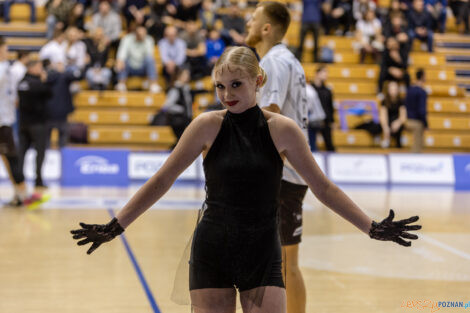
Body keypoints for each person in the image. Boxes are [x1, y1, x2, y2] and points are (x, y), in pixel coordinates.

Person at [71, 46, 421, 313]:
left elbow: (323, 187)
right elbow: (161, 181)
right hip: (213, 248)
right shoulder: (206, 125)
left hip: (263, 248)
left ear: (259, 80)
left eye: (236, 84)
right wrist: (117, 225)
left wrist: (370, 227)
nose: (227, 94)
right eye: (220, 86)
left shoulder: (283, 130)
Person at [244, 2, 310, 312]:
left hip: (282, 176)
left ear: (267, 28)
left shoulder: (273, 62)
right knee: (283, 265)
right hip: (290, 174)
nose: (249, 23)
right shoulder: (291, 61)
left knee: (284, 265)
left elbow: (270, 114)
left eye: (254, 19)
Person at [0, 37, 28, 206]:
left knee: (8, 157)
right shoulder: (4, 69)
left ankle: (19, 195)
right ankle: (24, 195)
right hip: (2, 121)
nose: (7, 52)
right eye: (5, 48)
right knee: (12, 157)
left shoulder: (8, 68)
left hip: (6, 119)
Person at [17, 60, 52, 188]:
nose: (41, 70)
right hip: (38, 123)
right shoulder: (38, 83)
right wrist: (44, 80)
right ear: (32, 68)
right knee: (40, 152)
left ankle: (19, 179)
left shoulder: (21, 82)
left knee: (22, 152)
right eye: (39, 67)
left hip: (23, 123)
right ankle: (38, 180)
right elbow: (49, 93)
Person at [115, 25, 162, 93]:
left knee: (149, 59)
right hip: (130, 67)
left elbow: (149, 55)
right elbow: (122, 53)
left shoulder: (149, 40)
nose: (142, 36)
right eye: (140, 34)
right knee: (122, 60)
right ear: (135, 34)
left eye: (144, 34)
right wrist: (120, 60)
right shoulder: (127, 38)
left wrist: (144, 41)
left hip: (142, 68)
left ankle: (153, 85)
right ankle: (121, 84)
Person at [312, 65, 336, 152]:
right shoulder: (310, 89)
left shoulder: (327, 90)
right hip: (312, 121)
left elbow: (330, 107)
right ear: (317, 74)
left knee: (329, 144)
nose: (326, 75)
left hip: (325, 121)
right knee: (311, 143)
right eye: (324, 72)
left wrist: (332, 121)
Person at [404, 69, 427, 153]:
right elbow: (422, 110)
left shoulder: (410, 89)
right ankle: (415, 158)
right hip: (416, 122)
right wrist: (425, 123)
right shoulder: (421, 92)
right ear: (422, 76)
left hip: (407, 120)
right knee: (418, 146)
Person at [379, 80, 407, 148]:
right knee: (381, 127)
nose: (393, 91)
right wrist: (385, 127)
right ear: (388, 90)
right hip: (387, 122)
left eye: (395, 89)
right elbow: (383, 116)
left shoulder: (401, 101)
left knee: (399, 128)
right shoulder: (384, 101)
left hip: (397, 122)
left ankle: (398, 146)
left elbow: (403, 116)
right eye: (392, 89)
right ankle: (386, 140)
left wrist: (398, 122)